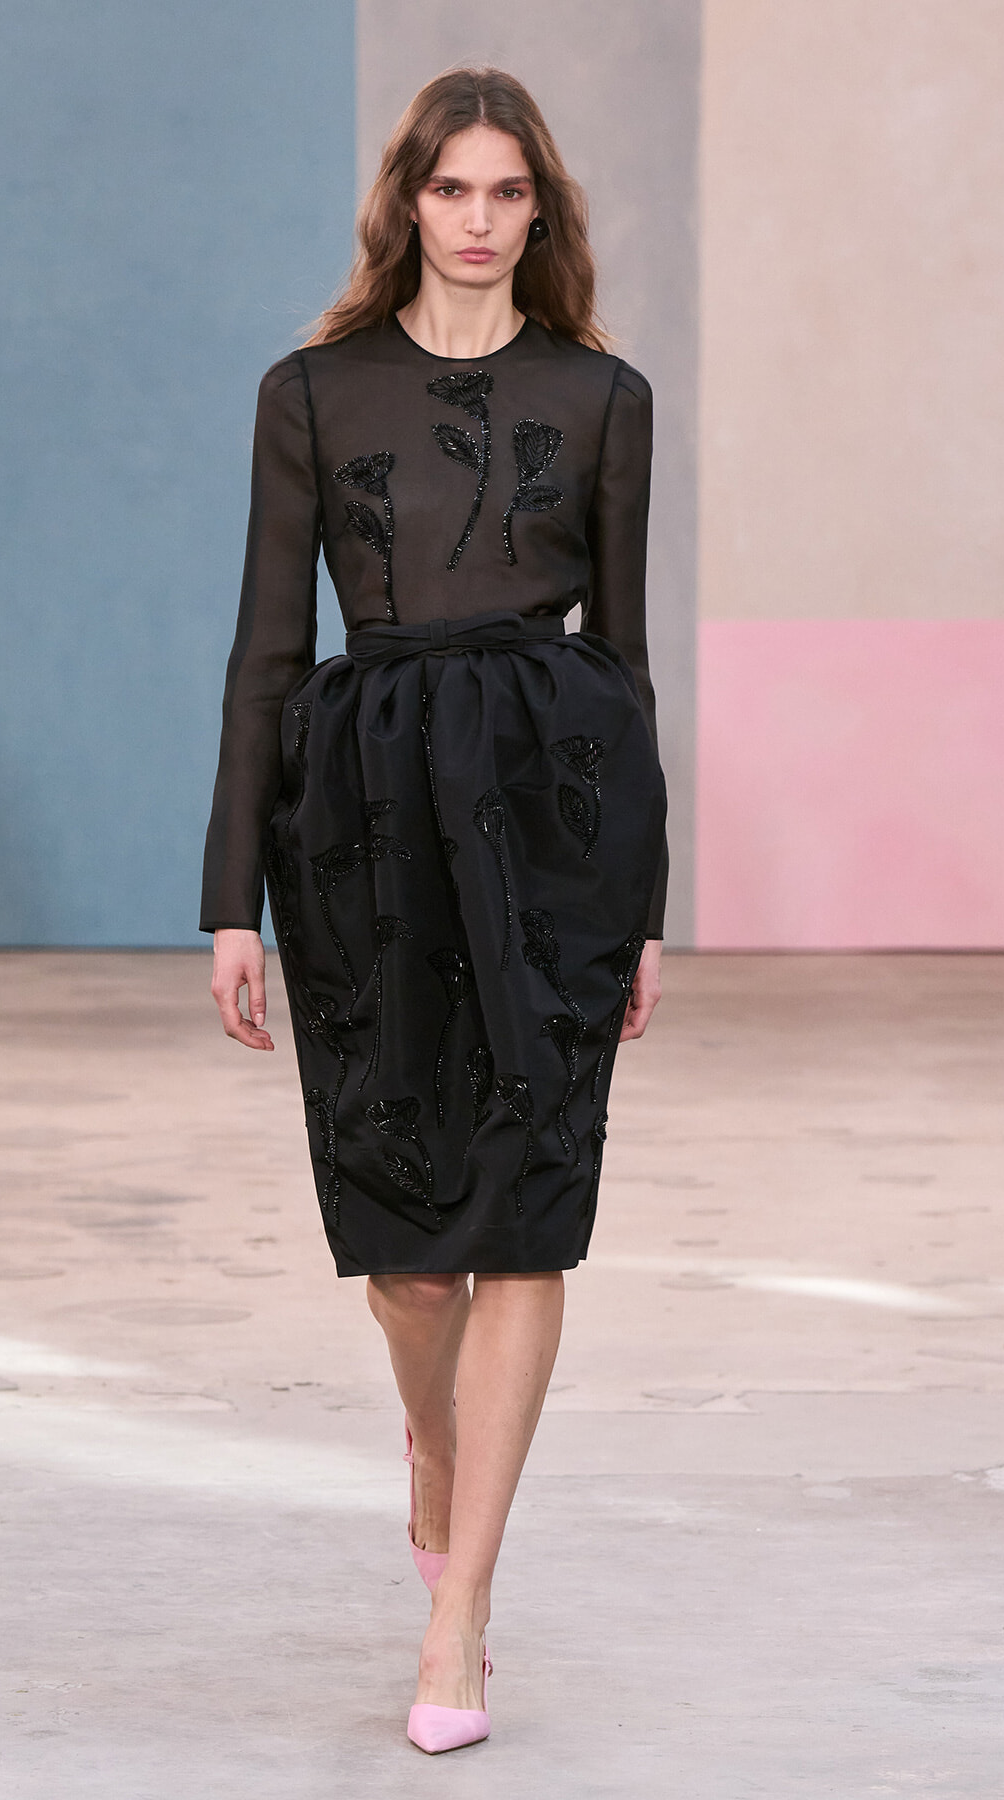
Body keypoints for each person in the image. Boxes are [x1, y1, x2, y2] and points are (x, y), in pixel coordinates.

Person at [200, 66, 668, 1754]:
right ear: (409, 202)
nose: (478, 219)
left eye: (507, 192)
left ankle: (459, 1611)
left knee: (529, 1218)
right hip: (364, 825)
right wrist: (229, 902)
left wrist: (646, 904)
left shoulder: (600, 396)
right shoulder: (313, 393)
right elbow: (266, 651)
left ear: (542, 213)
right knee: (409, 1263)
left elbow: (625, 660)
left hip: (555, 820)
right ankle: (432, 1442)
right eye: (452, 188)